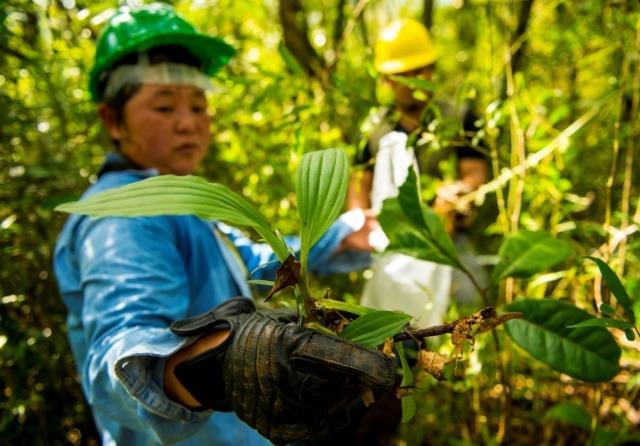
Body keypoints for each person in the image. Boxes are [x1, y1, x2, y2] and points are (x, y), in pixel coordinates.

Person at [53, 4, 394, 445]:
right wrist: (216, 368)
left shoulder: (180, 207)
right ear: (112, 120)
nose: (188, 123)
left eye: (198, 105)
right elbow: (116, 352)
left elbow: (248, 258)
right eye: (163, 107)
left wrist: (340, 235)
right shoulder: (124, 217)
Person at [350, 19, 489, 327]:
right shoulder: (374, 129)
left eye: (421, 70)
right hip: (392, 245)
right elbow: (359, 184)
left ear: (432, 69)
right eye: (404, 74)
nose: (415, 80)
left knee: (471, 308)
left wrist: (460, 191)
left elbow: (475, 171)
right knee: (387, 324)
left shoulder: (457, 117)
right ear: (387, 78)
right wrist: (361, 225)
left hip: (448, 240)